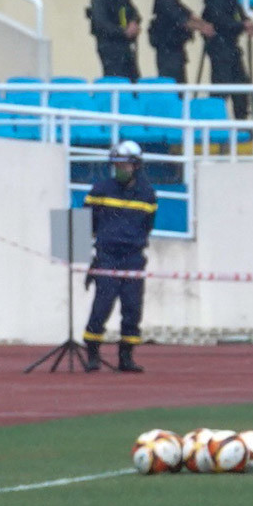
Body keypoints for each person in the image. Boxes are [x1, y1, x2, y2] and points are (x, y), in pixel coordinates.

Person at [83, 140, 157, 373]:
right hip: (107, 257)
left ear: (136, 166)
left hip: (133, 258)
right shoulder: (100, 190)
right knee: (101, 306)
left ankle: (126, 357)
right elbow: (87, 223)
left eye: (123, 164)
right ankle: (93, 354)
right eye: (116, 164)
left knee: (133, 308)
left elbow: (147, 226)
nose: (119, 169)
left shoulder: (147, 194)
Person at [203, 0, 253, 121]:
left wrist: (246, 21)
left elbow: (238, 12)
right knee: (221, 86)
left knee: (241, 85)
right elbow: (219, 19)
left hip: (231, 46)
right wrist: (241, 25)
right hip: (220, 46)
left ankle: (242, 123)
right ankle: (214, 124)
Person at [148, 0, 213, 84]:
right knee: (173, 85)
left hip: (175, 50)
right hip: (168, 50)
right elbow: (179, 19)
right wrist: (202, 28)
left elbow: (186, 13)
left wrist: (202, 23)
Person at [89, 0, 141, 81]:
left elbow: (134, 13)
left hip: (126, 49)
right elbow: (101, 23)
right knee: (116, 80)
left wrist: (133, 23)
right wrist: (123, 32)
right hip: (110, 49)